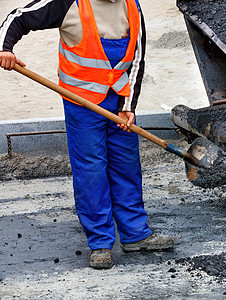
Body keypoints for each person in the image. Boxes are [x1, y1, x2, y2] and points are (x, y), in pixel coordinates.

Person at [0, 0, 174, 269]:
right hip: (81, 103)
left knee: (127, 166)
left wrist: (128, 107)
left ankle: (135, 234)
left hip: (118, 103)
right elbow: (18, 17)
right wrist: (5, 48)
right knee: (91, 171)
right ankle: (101, 243)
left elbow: (137, 59)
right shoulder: (68, 3)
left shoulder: (132, 6)